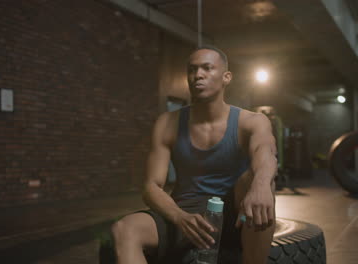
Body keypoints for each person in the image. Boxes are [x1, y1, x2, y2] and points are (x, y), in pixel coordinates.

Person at [112, 46, 277, 264]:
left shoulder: (251, 122)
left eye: (207, 68)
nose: (198, 75)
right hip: (186, 214)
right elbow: (151, 186)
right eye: (192, 70)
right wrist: (179, 217)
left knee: (258, 181)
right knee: (124, 229)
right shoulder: (167, 123)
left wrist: (262, 185)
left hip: (236, 214)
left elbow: (266, 154)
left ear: (226, 77)